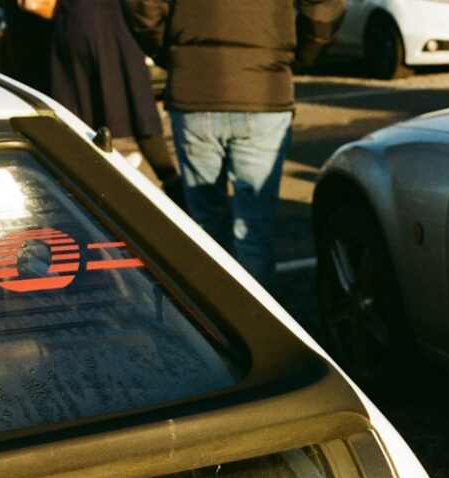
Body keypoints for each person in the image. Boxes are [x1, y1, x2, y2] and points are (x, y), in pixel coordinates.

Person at [129, 0, 345, 292]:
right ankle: (254, 326)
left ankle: (217, 320)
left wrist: (172, 52)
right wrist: (301, 54)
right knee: (254, 230)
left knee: (207, 224)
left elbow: (144, 7)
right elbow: (323, 8)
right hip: (263, 90)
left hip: (196, 88)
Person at [51, 0, 182, 201]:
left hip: (72, 20)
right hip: (113, 22)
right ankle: (176, 191)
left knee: (79, 110)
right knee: (139, 108)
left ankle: (85, 194)